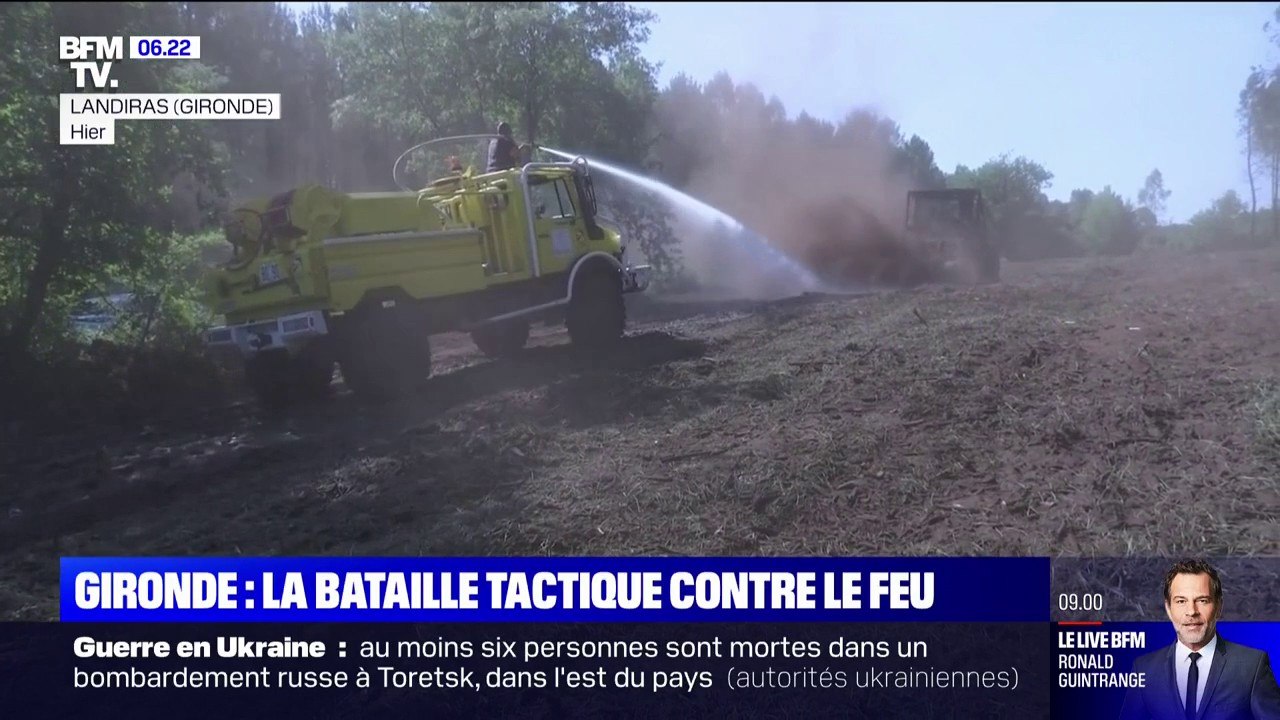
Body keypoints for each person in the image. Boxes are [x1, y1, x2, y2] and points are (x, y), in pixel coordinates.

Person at [1119, 559, 1280, 720]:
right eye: (1181, 601)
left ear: (1218, 607)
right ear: (1168, 608)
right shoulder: (1144, 669)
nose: (1191, 611)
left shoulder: (1252, 666)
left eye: (1202, 601)